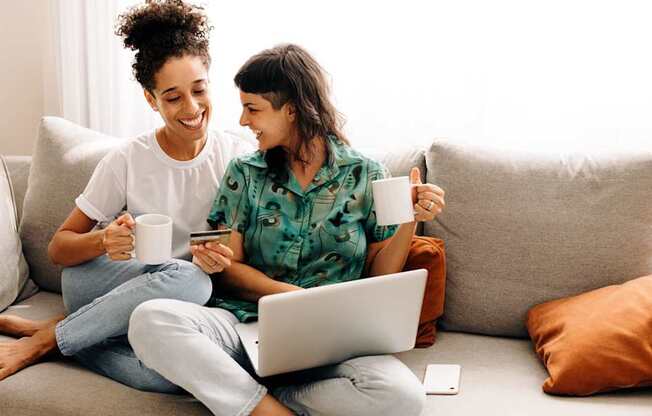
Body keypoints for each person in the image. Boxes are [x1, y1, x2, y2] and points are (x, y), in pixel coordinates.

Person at [128, 44, 446, 416]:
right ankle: (263, 410)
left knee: (403, 397)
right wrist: (295, 299)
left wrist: (410, 220)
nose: (243, 121)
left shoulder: (365, 174)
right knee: (151, 319)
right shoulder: (244, 173)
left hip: (332, 338)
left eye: (252, 108)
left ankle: (256, 395)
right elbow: (231, 270)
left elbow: (380, 274)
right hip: (247, 324)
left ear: (292, 109)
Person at [0, 0, 247, 388]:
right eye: (173, 97)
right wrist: (103, 239)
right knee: (193, 280)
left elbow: (243, 252)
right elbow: (59, 250)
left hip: (171, 302)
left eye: (199, 89)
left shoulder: (237, 157)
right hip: (104, 283)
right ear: (151, 100)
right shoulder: (129, 158)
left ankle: (73, 334)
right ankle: (48, 340)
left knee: (173, 372)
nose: (192, 107)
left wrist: (225, 261)